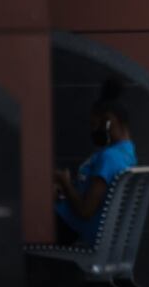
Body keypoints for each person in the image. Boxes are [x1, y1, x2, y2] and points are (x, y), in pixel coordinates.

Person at [54, 81, 138, 247]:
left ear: (108, 122)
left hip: (69, 227)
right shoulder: (127, 153)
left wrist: (65, 183)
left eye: (94, 125)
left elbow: (85, 211)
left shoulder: (109, 158)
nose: (93, 132)